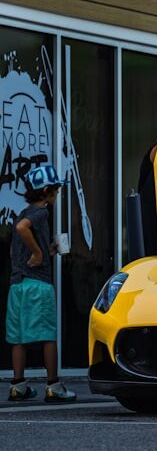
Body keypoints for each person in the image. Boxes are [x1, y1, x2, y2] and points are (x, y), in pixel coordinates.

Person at [6, 165, 76, 402]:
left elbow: (19, 235)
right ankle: (54, 386)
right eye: (55, 190)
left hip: (17, 284)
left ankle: (18, 386)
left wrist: (47, 251)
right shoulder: (41, 212)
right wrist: (37, 254)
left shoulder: (23, 211)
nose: (57, 194)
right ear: (46, 191)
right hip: (38, 285)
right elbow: (21, 229)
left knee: (17, 337)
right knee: (48, 336)